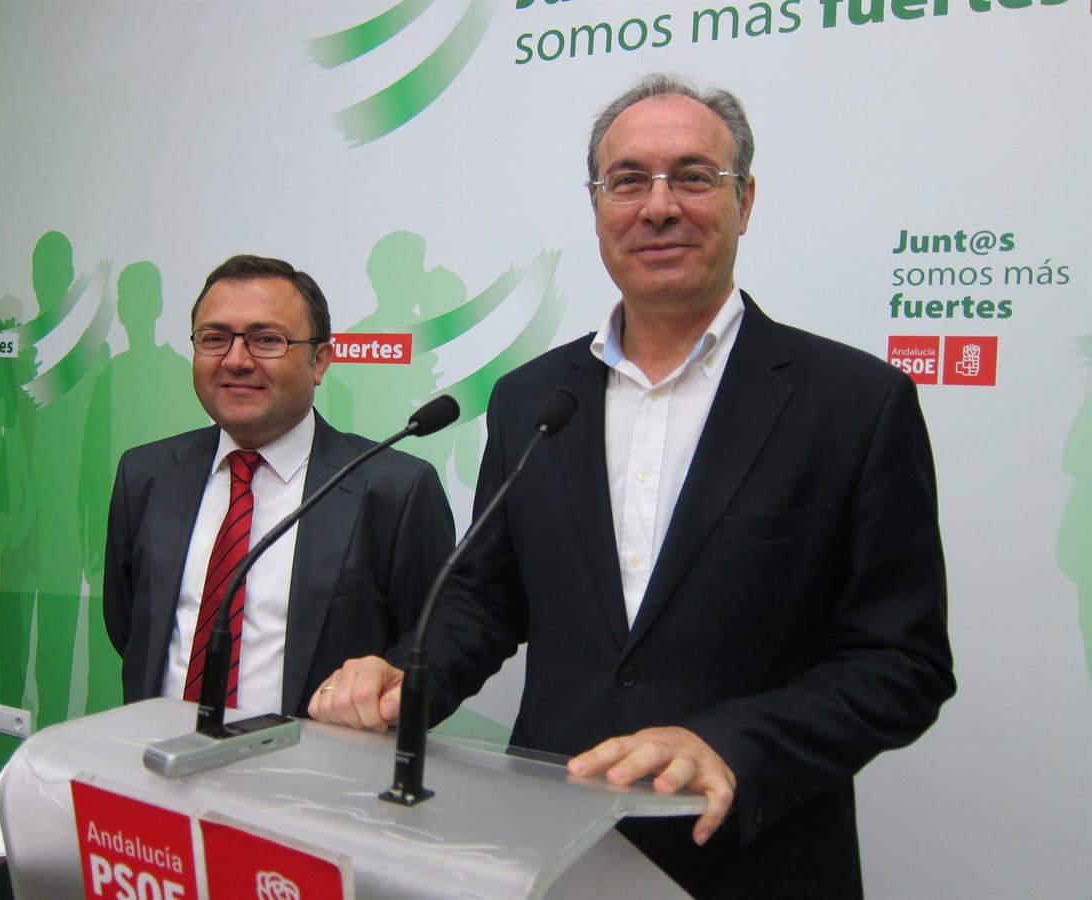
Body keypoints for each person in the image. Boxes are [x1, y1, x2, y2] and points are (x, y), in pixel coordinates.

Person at [308, 74, 956, 898]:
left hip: (754, 861)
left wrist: (732, 744)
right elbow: (486, 598)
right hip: (550, 847)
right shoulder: (532, 399)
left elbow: (901, 661)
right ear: (596, 206)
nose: (658, 207)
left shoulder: (855, 403)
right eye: (627, 181)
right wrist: (406, 677)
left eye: (693, 177)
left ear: (746, 201)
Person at [103, 254, 455, 718]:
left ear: (319, 361)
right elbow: (129, 627)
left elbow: (433, 656)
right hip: (157, 750)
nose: (235, 360)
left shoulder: (395, 491)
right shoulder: (145, 474)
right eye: (214, 338)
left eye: (266, 340)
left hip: (313, 760)